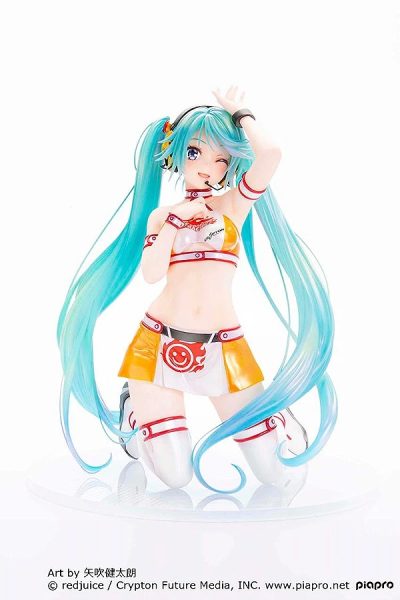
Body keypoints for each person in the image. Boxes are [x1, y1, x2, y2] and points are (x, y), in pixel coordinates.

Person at [57, 86, 337, 494]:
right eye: (195, 153)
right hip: (156, 346)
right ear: (175, 154)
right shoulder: (161, 217)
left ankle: (274, 415)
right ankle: (135, 410)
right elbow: (151, 274)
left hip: (224, 349)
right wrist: (175, 222)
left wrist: (239, 113)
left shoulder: (233, 206)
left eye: (221, 159)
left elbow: (272, 154)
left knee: (273, 473)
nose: (208, 167)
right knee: (176, 477)